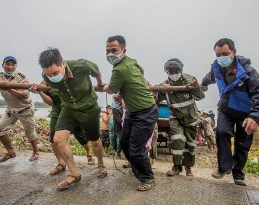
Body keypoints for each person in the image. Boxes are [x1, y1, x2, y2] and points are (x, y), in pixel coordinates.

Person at [201, 38, 259, 186]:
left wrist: (255, 116)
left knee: (242, 143)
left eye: (225, 54)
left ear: (234, 52)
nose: (221, 58)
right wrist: (202, 85)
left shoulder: (247, 71)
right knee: (221, 132)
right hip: (226, 108)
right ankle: (224, 167)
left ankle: (238, 173)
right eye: (218, 55)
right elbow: (208, 78)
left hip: (246, 113)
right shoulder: (217, 69)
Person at [38, 48, 107, 190]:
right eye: (48, 74)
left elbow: (96, 70)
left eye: (55, 73)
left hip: (89, 108)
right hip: (68, 108)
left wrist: (100, 83)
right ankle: (74, 173)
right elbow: (51, 90)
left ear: (63, 63)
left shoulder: (81, 66)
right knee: (58, 139)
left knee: (94, 141)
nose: (52, 77)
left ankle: (101, 164)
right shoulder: (46, 77)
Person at [103, 35, 158, 191]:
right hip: (133, 112)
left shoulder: (121, 69)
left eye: (114, 50)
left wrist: (107, 86)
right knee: (125, 142)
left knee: (136, 148)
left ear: (123, 51)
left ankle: (147, 178)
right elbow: (141, 69)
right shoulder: (130, 62)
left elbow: (112, 89)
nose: (110, 54)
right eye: (107, 51)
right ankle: (138, 169)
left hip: (146, 111)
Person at [29, 81, 96, 176]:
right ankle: (61, 163)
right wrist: (40, 91)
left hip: (73, 112)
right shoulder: (46, 82)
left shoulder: (69, 78)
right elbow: (51, 102)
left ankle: (88, 153)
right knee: (53, 138)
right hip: (57, 113)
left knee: (80, 136)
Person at [157, 58, 205, 177]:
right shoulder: (165, 85)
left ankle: (188, 167)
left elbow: (200, 97)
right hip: (175, 118)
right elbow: (155, 99)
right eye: (170, 72)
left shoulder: (190, 80)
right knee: (177, 140)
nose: (173, 74)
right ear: (167, 72)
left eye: (176, 71)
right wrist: (160, 90)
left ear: (181, 70)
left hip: (191, 118)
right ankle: (176, 167)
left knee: (190, 144)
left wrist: (195, 86)